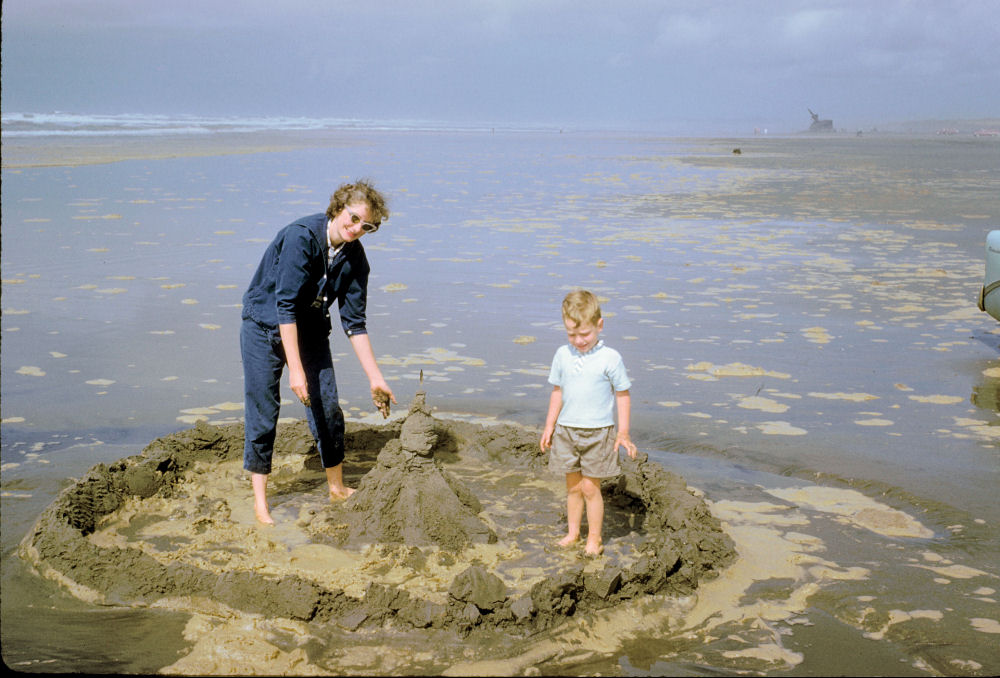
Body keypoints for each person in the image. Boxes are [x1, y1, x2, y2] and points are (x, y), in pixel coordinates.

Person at [241, 179, 397, 525]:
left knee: (327, 406)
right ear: (339, 208)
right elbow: (284, 306)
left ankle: (337, 487)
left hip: (310, 329)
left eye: (367, 226)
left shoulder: (356, 261)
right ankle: (261, 504)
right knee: (264, 410)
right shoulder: (301, 237)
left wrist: (376, 379)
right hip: (265, 325)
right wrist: (295, 370)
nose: (357, 228)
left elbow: (355, 323)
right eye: (353, 218)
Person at [540, 290, 637, 556]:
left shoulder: (611, 358)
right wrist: (549, 426)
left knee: (590, 488)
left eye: (585, 334)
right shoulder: (562, 354)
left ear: (599, 325)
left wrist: (624, 432)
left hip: (599, 433)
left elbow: (623, 395)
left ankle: (594, 538)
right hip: (566, 431)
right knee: (573, 486)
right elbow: (557, 391)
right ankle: (573, 533)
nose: (579, 341)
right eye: (572, 335)